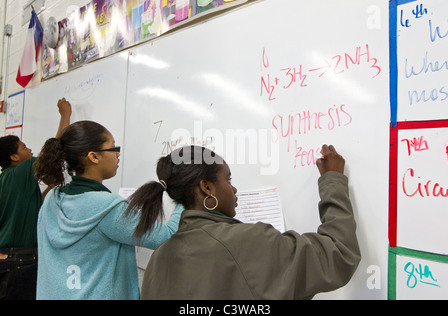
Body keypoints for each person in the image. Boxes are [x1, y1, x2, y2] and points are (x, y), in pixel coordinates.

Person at [127, 144, 361, 300]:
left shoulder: (159, 257)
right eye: (228, 179)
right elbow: (338, 254)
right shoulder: (245, 242)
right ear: (207, 187)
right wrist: (333, 180)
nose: (234, 188)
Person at [33, 120, 182, 300]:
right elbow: (167, 237)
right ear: (93, 156)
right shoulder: (107, 208)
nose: (118, 155)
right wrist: (185, 197)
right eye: (113, 148)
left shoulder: (52, 198)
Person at [0, 98, 72, 300]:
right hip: (20, 262)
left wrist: (49, 188)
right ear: (14, 157)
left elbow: (27, 206)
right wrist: (65, 115)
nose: (30, 150)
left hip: (11, 258)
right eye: (24, 148)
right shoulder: (21, 172)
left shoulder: (7, 179)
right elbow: (53, 151)